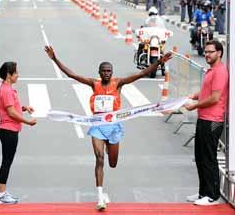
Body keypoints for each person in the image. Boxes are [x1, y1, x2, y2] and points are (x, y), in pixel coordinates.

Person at [44, 45, 172, 210]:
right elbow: (72, 74)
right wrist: (54, 58)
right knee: (99, 159)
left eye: (109, 71)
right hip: (97, 125)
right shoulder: (94, 83)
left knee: (112, 163)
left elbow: (141, 74)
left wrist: (160, 62)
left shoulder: (118, 83)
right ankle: (100, 198)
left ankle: (108, 147)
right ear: (99, 73)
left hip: (113, 126)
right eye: (104, 71)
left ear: (112, 72)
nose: (106, 73)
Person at [183, 40, 228, 206]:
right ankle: (203, 192)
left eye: (211, 52)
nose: (207, 54)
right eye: (206, 52)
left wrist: (195, 104)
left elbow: (215, 98)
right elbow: (206, 92)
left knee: (209, 158)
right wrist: (193, 96)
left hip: (213, 120)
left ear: (219, 53)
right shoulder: (211, 71)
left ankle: (212, 195)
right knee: (200, 157)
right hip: (203, 118)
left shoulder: (220, 72)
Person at [0, 62, 37, 204]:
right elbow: (10, 112)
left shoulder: (7, 88)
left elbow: (12, 107)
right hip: (8, 130)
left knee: (7, 161)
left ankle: (2, 192)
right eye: (16, 73)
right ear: (9, 75)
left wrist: (24, 108)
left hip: (9, 130)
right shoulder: (6, 90)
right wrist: (27, 122)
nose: (18, 75)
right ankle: (1, 194)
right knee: (6, 162)